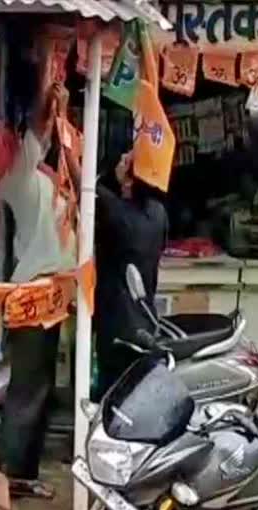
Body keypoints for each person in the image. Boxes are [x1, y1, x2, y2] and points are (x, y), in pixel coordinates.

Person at [0, 55, 76, 499]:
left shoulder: (45, 178)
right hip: (32, 296)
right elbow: (40, 129)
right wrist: (49, 82)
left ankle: (21, 475)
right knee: (27, 391)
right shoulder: (17, 177)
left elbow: (51, 138)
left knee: (38, 390)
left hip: (51, 296)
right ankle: (4, 481)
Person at [92, 150, 168, 401]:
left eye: (126, 160)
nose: (120, 159)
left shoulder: (116, 212)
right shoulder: (159, 213)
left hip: (117, 321)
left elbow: (83, 184)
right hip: (145, 318)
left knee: (112, 389)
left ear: (130, 178)